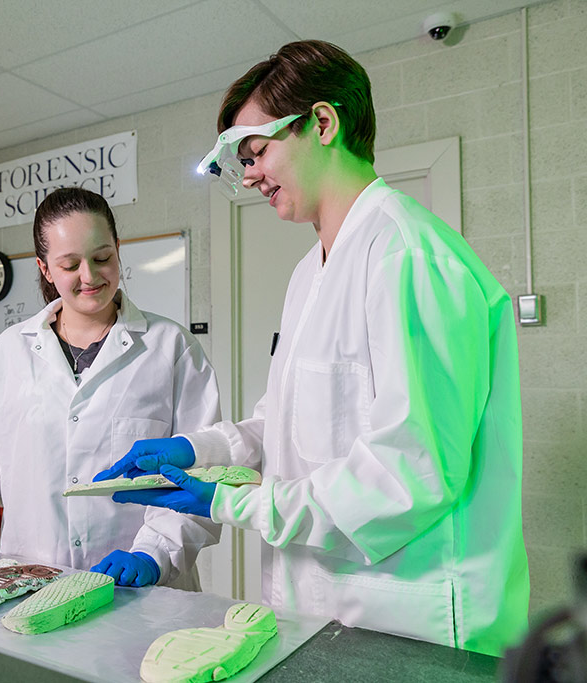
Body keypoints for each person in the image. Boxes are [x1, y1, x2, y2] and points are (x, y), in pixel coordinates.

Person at [96, 40, 529, 654]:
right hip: (320, 611)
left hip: (412, 623)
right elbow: (286, 425)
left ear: (323, 122)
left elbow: (410, 474)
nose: (247, 176)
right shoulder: (311, 272)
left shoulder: (408, 257)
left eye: (257, 152)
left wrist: (234, 501)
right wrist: (198, 447)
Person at [0, 187, 221, 589]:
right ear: (45, 269)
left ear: (118, 249)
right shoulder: (7, 354)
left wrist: (153, 554)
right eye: (70, 265)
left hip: (143, 591)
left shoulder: (171, 348)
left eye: (102, 258)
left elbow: (199, 470)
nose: (90, 276)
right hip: (32, 581)